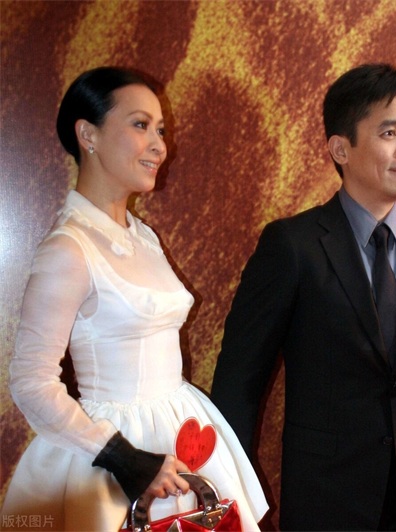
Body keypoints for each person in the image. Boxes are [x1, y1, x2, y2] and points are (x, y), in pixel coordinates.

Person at [1, 66, 268, 531]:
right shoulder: (69, 248)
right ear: (88, 134)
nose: (160, 145)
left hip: (182, 432)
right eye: (141, 125)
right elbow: (30, 380)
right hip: (112, 454)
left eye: (160, 130)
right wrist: (124, 458)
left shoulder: (143, 236)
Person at [211, 63, 396, 531]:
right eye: (389, 133)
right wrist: (233, 494)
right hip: (325, 497)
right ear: (340, 148)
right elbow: (238, 380)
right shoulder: (292, 245)